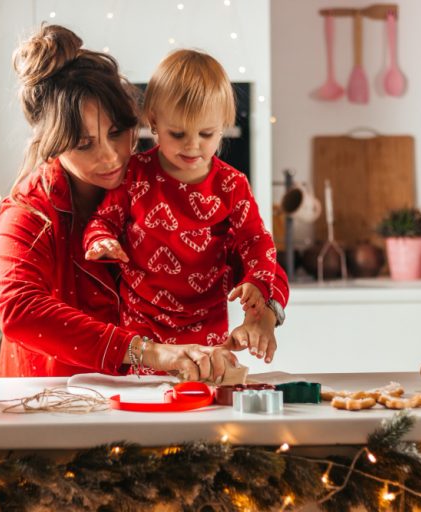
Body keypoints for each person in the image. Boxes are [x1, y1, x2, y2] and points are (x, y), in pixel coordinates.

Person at [0, 25, 288, 381]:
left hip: (145, 394)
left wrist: (266, 311)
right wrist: (147, 351)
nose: (110, 157)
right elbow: (18, 311)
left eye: (117, 132)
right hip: (56, 397)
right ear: (52, 142)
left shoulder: (162, 180)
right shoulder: (30, 209)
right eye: (84, 144)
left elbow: (255, 254)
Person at [82, 49, 280, 354]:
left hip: (206, 326)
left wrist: (258, 282)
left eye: (206, 133)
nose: (192, 145)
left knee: (202, 395)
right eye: (177, 133)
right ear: (153, 122)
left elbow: (256, 241)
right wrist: (101, 240)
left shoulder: (232, 185)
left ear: (224, 125)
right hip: (140, 322)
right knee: (143, 398)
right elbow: (103, 220)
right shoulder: (135, 173)